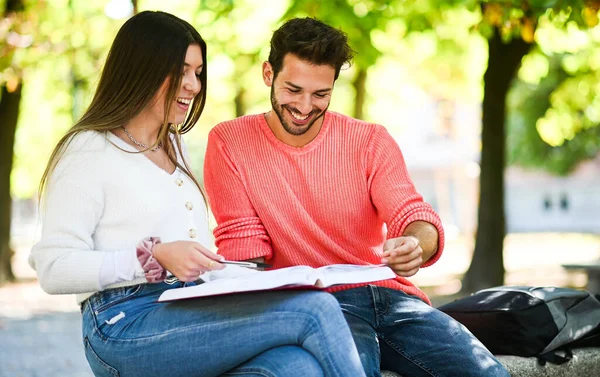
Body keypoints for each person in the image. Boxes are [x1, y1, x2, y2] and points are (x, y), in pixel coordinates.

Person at [29, 11, 368, 377]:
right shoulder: (87, 150)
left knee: (295, 367)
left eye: (198, 72)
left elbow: (194, 259)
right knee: (314, 309)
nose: (193, 85)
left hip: (186, 305)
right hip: (122, 324)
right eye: (183, 71)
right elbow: (53, 267)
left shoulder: (173, 143)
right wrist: (151, 257)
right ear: (142, 68)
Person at [203, 17, 511, 377]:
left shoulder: (369, 141)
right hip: (316, 308)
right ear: (268, 74)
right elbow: (244, 254)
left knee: (489, 373)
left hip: (394, 301)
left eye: (321, 94)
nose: (304, 107)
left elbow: (412, 213)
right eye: (293, 90)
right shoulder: (229, 142)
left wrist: (416, 244)